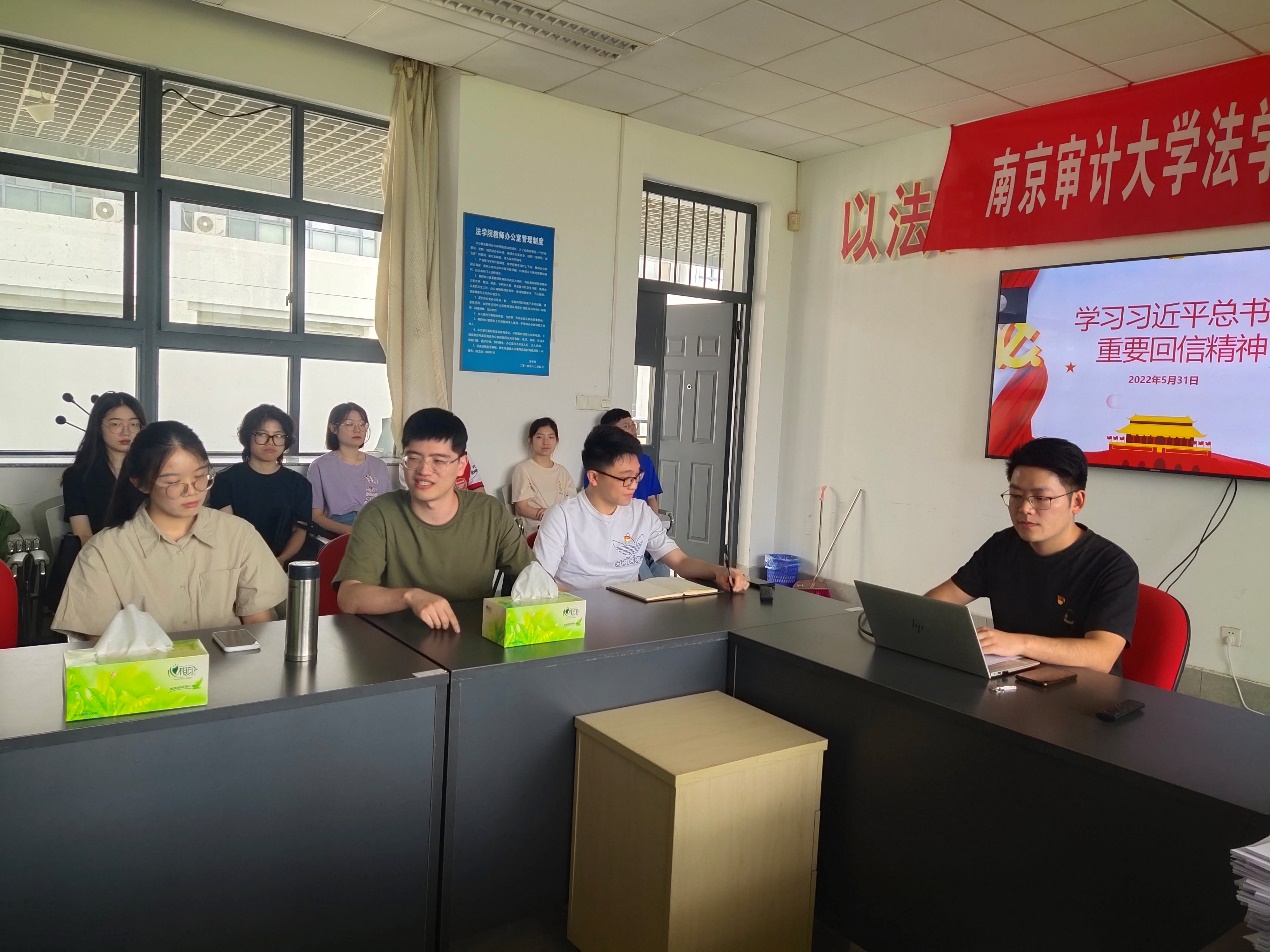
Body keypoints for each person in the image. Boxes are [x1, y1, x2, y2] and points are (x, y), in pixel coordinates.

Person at [53, 421, 287, 643]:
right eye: (174, 482)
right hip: (143, 671)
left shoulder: (238, 535)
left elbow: (258, 626)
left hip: (229, 668)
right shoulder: (103, 552)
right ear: (140, 483)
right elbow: (99, 646)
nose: (192, 491)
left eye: (200, 477)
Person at [926, 437, 1138, 674]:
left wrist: (1019, 643)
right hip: (1012, 682)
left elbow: (1101, 656)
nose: (1024, 508)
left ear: (1077, 502)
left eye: (1041, 498)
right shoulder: (1002, 546)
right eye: (1016, 495)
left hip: (1082, 691)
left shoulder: (1113, 566)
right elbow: (934, 605)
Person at [335, 407, 534, 632]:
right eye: (413, 458)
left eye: (438, 461)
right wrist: (410, 597)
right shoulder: (378, 514)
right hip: (396, 640)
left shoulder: (489, 513)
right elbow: (349, 597)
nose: (424, 470)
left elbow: (533, 578)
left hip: (473, 638)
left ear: (461, 465)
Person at [535, 425, 748, 593]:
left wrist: (718, 571)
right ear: (594, 477)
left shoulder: (641, 512)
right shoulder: (562, 517)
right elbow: (541, 582)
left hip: (629, 614)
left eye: (637, 476)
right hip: (576, 617)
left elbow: (681, 562)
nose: (634, 485)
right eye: (626, 478)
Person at [208, 405, 313, 565]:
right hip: (236, 562)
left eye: (278, 435)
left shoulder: (299, 484)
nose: (270, 442)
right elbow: (228, 530)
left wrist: (281, 560)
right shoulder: (225, 480)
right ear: (248, 437)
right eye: (262, 434)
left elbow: (299, 530)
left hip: (284, 564)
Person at [61, 392, 148, 545]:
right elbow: (83, 536)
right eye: (115, 424)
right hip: (101, 553)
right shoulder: (76, 476)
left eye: (133, 424)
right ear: (98, 427)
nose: (126, 432)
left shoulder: (153, 471)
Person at [307, 401, 392, 536]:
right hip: (339, 532)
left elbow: (388, 510)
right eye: (349, 424)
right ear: (333, 428)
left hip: (375, 530)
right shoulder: (319, 466)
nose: (357, 429)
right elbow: (316, 516)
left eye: (362, 424)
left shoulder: (379, 466)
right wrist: (353, 532)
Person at [510, 417, 576, 536]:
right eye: (539, 437)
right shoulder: (523, 469)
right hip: (537, 531)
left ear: (557, 441)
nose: (546, 442)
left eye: (551, 437)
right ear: (530, 440)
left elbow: (573, 503)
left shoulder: (562, 471)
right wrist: (548, 516)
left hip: (562, 527)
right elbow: (521, 508)